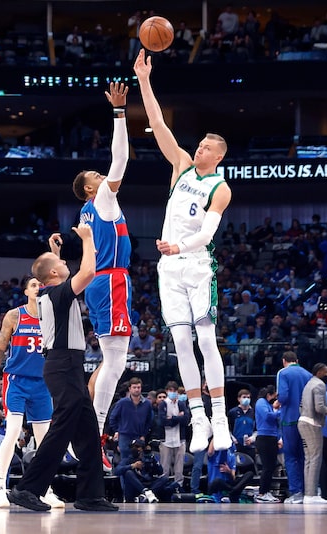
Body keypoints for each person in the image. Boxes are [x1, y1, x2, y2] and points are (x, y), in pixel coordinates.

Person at [134, 48, 234, 453]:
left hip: (195, 264)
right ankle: (198, 419)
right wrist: (144, 79)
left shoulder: (220, 187)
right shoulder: (179, 166)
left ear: (219, 155)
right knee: (179, 344)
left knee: (206, 342)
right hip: (168, 267)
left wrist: (178, 244)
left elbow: (208, 234)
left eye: (207, 148)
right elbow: (157, 122)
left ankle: (221, 418)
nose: (199, 150)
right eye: (199, 145)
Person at [7, 223, 118, 512]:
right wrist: (88, 238)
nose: (65, 262)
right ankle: (28, 488)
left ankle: (90, 495)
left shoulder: (48, 292)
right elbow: (89, 273)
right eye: (61, 262)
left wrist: (54, 251)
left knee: (88, 432)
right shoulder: (57, 294)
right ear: (54, 274)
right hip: (63, 363)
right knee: (62, 429)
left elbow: (47, 273)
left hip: (66, 365)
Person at [71, 82, 131, 471]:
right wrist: (120, 112)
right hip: (110, 280)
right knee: (115, 360)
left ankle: (90, 426)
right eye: (98, 175)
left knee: (113, 361)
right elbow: (121, 158)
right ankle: (93, 430)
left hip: (100, 282)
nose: (104, 176)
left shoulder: (87, 215)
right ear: (92, 187)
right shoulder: (101, 200)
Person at [0, 275, 62, 509]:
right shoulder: (14, 315)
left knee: (45, 439)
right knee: (14, 430)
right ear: (26, 291)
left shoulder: (51, 317)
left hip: (42, 383)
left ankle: (44, 489)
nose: (38, 288)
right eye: (34, 285)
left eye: (41, 285)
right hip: (17, 380)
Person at [276, 350, 312, 503]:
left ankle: (296, 493)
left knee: (290, 457)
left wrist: (278, 403)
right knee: (305, 457)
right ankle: (307, 492)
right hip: (306, 419)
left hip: (290, 420)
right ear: (296, 360)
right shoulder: (308, 374)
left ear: (284, 361)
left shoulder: (283, 373)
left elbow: (283, 395)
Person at [297, 362, 327, 504]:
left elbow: (300, 406)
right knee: (316, 458)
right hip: (312, 423)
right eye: (325, 371)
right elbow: (319, 407)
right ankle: (311, 495)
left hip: (302, 421)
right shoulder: (319, 385)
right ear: (319, 372)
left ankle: (308, 494)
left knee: (308, 459)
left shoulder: (308, 384)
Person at [109, 377, 154, 461]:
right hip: (124, 436)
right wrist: (118, 430)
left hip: (139, 436)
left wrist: (144, 434)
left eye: (138, 387)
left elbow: (149, 420)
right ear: (130, 389)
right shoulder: (122, 402)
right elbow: (112, 418)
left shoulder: (147, 404)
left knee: (138, 461)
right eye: (134, 387)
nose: (137, 390)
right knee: (125, 460)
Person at [158, 381, 189, 487]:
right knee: (165, 468)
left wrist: (173, 418)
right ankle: (163, 488)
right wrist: (178, 418)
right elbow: (163, 422)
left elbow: (186, 420)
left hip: (180, 439)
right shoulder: (163, 404)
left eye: (174, 391)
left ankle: (178, 487)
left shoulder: (181, 404)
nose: (173, 393)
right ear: (167, 391)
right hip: (166, 440)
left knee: (179, 469)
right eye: (170, 390)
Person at [254, 385, 281, 503]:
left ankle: (267, 491)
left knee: (271, 466)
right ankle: (262, 492)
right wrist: (280, 411)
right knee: (266, 466)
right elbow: (267, 416)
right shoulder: (261, 402)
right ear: (269, 394)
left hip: (272, 437)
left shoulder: (268, 405)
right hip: (264, 437)